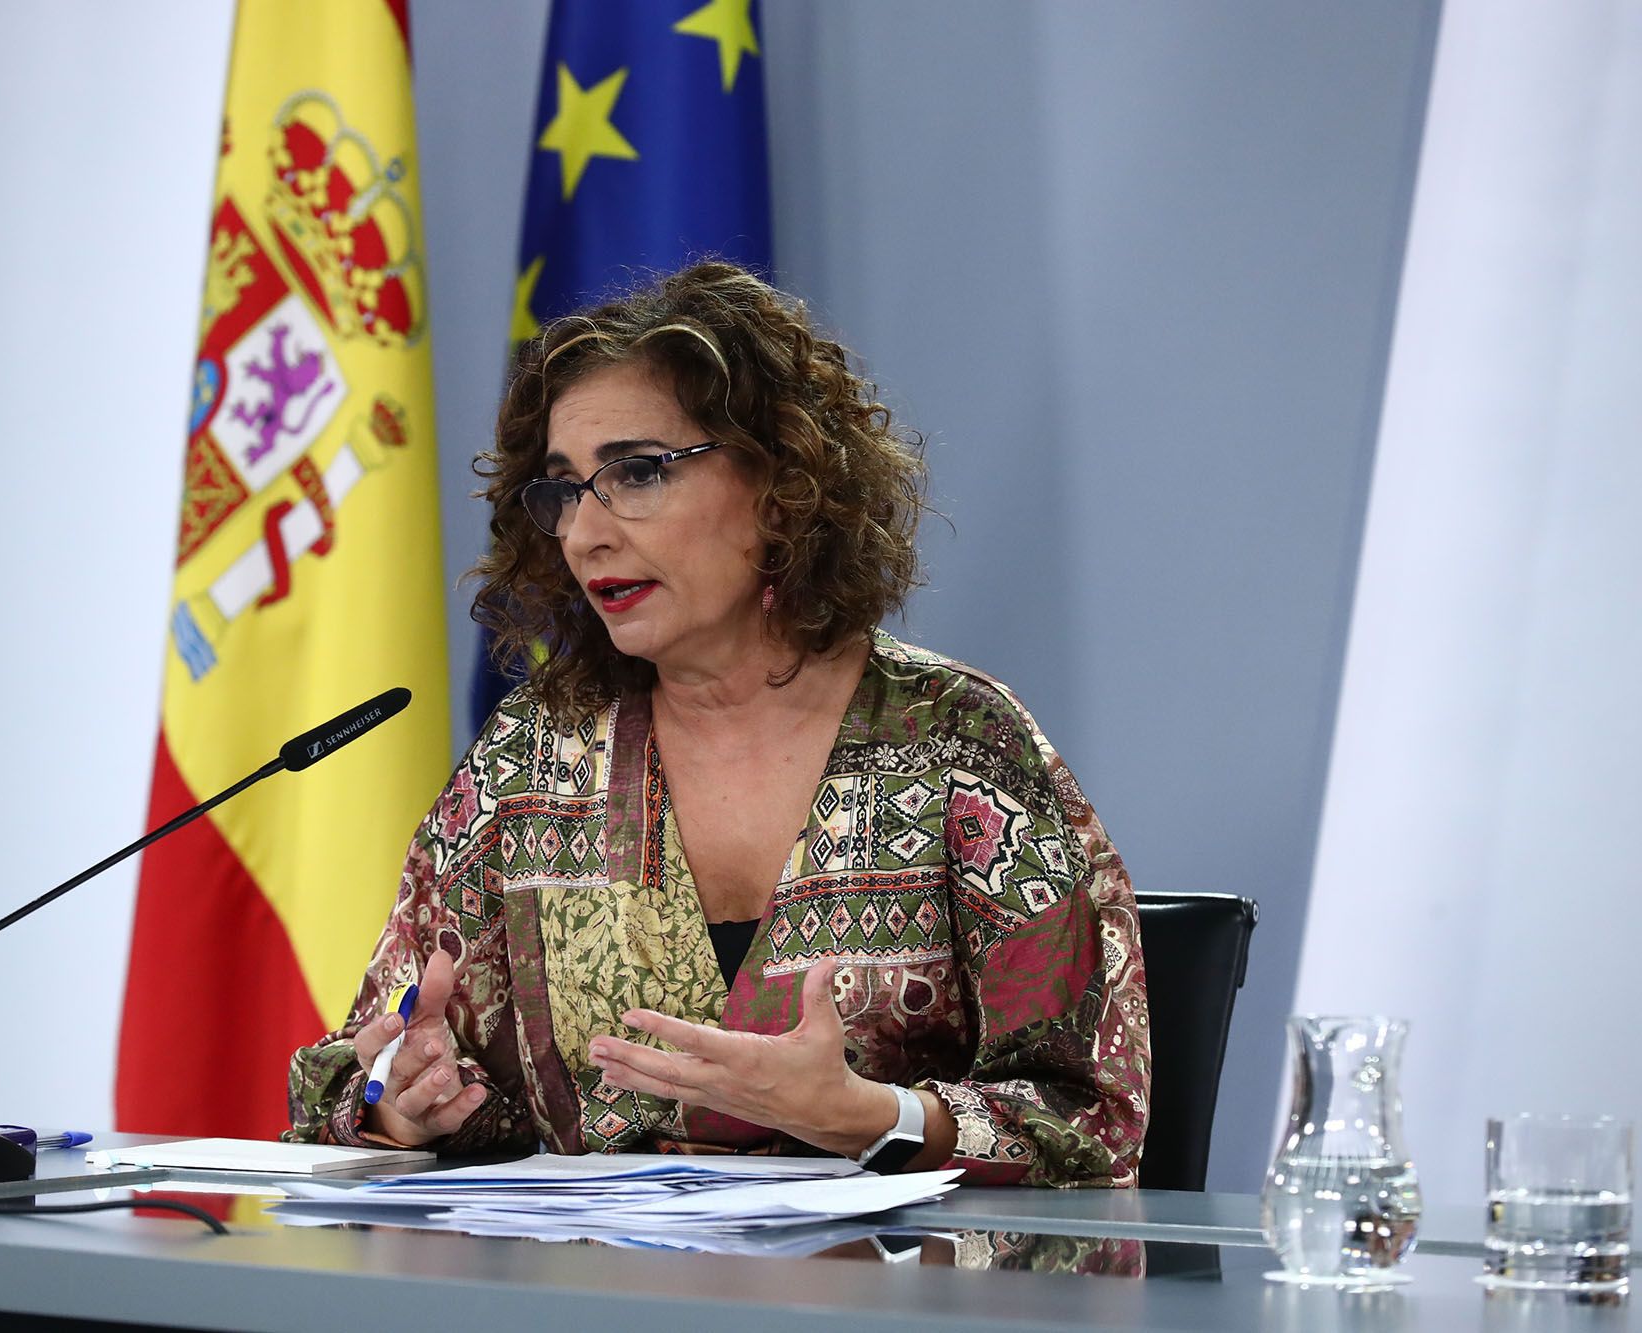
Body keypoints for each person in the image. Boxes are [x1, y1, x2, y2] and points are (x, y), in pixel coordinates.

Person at [288, 262, 1148, 1186]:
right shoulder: (532, 764)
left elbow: (1093, 1118)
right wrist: (404, 1102)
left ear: (781, 480)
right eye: (565, 489)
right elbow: (356, 1073)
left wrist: (876, 1117)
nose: (586, 533)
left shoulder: (957, 748)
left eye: (638, 472)